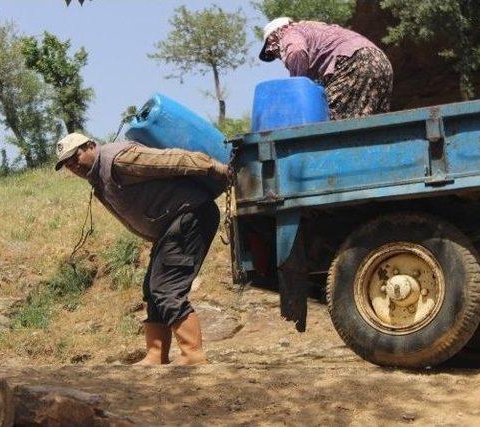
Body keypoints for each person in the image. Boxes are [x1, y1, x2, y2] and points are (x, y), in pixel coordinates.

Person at [55, 132, 229, 365]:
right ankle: (156, 355)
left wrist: (217, 168)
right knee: (152, 288)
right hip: (172, 223)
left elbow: (172, 159)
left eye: (74, 156)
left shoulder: (118, 159)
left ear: (90, 146)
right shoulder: (99, 177)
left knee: (166, 287)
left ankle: (193, 355)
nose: (72, 165)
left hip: (190, 214)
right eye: (67, 164)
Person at [259, 17, 393, 120]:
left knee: (327, 117)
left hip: (354, 62)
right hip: (380, 61)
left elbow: (297, 51)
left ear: (272, 39)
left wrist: (298, 89)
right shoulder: (313, 27)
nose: (278, 57)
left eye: (274, 53)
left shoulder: (288, 33)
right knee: (373, 121)